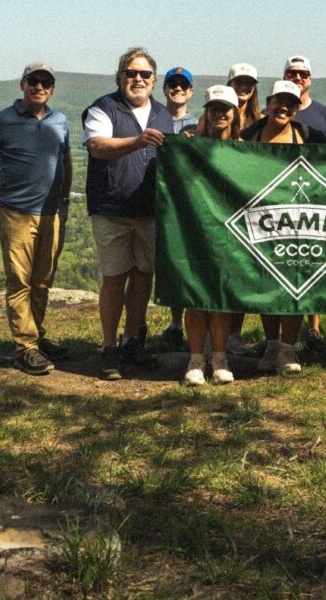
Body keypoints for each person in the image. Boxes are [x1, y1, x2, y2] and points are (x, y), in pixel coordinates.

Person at [0, 62, 72, 375]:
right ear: (21, 84)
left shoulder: (60, 121)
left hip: (51, 214)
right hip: (16, 214)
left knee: (42, 281)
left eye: (46, 83)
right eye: (33, 81)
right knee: (20, 282)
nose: (40, 87)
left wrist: (64, 202)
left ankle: (35, 338)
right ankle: (25, 348)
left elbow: (65, 162)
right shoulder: (1, 121)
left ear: (52, 88)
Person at [83, 47, 174, 380]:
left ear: (154, 80)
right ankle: (109, 347)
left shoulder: (164, 115)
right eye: (132, 73)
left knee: (142, 278)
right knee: (114, 278)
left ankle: (132, 341)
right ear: (120, 77)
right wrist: (136, 142)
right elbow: (97, 146)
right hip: (112, 209)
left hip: (150, 210)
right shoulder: (103, 108)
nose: (138, 79)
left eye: (145, 74)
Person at [242, 80, 309, 375]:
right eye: (279, 101)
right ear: (268, 103)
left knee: (294, 282)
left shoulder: (307, 135)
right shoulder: (248, 135)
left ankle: (288, 348)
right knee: (266, 283)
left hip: (296, 219)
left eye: (291, 104)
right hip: (257, 218)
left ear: (297, 109)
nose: (284, 108)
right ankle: (271, 345)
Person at [183, 85, 241, 385]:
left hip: (231, 230)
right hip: (196, 226)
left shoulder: (245, 148)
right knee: (196, 292)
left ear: (235, 114)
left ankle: (219, 357)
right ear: (207, 112)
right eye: (214, 108)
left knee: (220, 294)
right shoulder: (190, 145)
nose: (220, 114)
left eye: (225, 109)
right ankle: (195, 359)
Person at [283, 55, 326, 349]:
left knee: (313, 260)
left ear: (311, 78)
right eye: (292, 73)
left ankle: (314, 328)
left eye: (303, 73)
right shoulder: (273, 110)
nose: (298, 78)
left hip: (315, 196)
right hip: (280, 197)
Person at [160, 66, 200, 351]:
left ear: (191, 91)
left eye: (183, 86)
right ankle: (140, 327)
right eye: (172, 85)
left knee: (182, 262)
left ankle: (180, 325)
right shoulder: (152, 119)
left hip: (185, 202)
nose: (178, 89)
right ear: (165, 89)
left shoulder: (199, 125)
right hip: (155, 197)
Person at [225, 63, 262, 356]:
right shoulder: (214, 116)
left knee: (246, 270)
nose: (243, 87)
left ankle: (235, 332)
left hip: (251, 204)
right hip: (221, 202)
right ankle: (222, 332)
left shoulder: (260, 121)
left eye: (248, 82)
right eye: (238, 81)